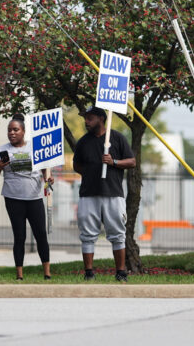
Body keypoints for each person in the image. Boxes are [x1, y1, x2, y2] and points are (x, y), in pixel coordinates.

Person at [72, 106, 135, 282]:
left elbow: (132, 162)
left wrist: (113, 161)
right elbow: (76, 164)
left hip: (113, 193)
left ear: (101, 118)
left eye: (90, 118)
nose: (86, 121)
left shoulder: (117, 138)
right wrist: (90, 172)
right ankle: (89, 272)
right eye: (85, 118)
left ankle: (121, 272)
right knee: (87, 234)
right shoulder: (83, 142)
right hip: (88, 194)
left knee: (117, 233)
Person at [0, 114, 52, 280]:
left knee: (40, 234)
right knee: (19, 236)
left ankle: (47, 273)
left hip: (34, 198)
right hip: (13, 198)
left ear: (23, 131)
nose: (12, 133)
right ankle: (19, 275)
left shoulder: (35, 147)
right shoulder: (2, 151)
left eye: (15, 129)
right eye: (9, 130)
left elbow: (45, 169)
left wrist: (48, 179)